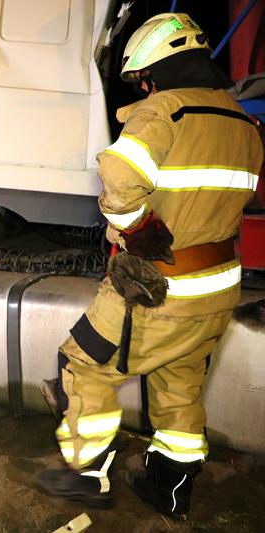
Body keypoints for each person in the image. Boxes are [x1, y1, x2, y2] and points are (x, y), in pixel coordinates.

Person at [34, 12, 263, 519]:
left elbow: (119, 178)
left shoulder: (165, 111)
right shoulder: (243, 123)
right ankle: (171, 487)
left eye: (142, 79)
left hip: (155, 289)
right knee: (179, 383)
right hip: (216, 289)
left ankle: (85, 477)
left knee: (83, 364)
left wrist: (137, 229)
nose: (143, 87)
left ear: (157, 71)